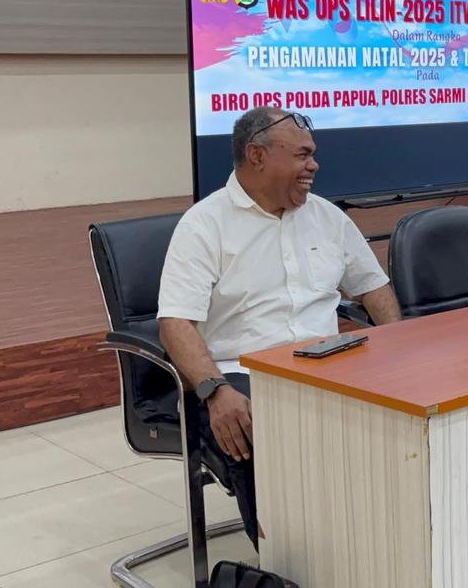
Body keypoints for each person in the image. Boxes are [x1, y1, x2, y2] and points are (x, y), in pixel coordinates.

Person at [157, 106, 402, 548]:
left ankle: (376, 546)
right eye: (302, 155)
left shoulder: (327, 216)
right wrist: (213, 390)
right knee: (258, 431)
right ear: (257, 155)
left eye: (313, 154)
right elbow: (176, 323)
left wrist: (396, 347)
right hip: (241, 374)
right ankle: (287, 562)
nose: (314, 165)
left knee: (403, 417)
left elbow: (374, 288)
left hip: (329, 363)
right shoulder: (204, 225)